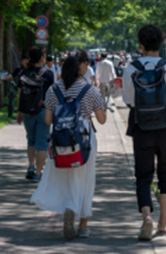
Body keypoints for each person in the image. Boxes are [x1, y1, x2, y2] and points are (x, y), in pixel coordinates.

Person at [30, 49, 106, 240]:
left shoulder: (53, 90)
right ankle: (83, 224)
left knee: (65, 175)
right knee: (86, 178)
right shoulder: (90, 90)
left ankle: (68, 208)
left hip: (61, 138)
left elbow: (48, 120)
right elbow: (103, 120)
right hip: (84, 137)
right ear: (81, 70)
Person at [122, 24, 166, 240]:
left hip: (142, 128)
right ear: (161, 44)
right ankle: (163, 225)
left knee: (143, 176)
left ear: (141, 45)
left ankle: (146, 217)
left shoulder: (130, 69)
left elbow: (129, 101)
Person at [16, 47, 55, 183]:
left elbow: (20, 94)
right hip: (44, 110)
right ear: (41, 58)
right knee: (42, 142)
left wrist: (19, 111)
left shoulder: (23, 72)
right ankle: (38, 173)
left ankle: (31, 167)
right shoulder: (48, 74)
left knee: (31, 140)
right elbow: (52, 95)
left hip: (27, 111)